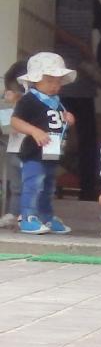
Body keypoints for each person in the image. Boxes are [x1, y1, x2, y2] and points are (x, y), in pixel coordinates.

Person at [47, 0, 101, 201]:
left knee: (88, 135)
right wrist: (80, 45)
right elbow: (48, 24)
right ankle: (47, 187)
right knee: (52, 132)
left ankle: (88, 190)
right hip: (55, 75)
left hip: (82, 76)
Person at [11, 52, 79, 236]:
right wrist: (34, 131)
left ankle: (46, 216)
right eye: (49, 81)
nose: (55, 86)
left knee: (48, 187)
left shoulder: (56, 102)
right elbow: (15, 121)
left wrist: (68, 120)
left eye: (58, 82)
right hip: (34, 153)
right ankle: (28, 217)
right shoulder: (29, 100)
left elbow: (56, 122)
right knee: (33, 185)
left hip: (52, 153)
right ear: (35, 80)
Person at [0, 59, 24, 232]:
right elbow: (7, 127)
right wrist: (8, 103)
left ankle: (27, 214)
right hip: (12, 146)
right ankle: (13, 213)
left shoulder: (37, 101)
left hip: (31, 149)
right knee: (15, 185)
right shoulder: (6, 102)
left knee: (30, 185)